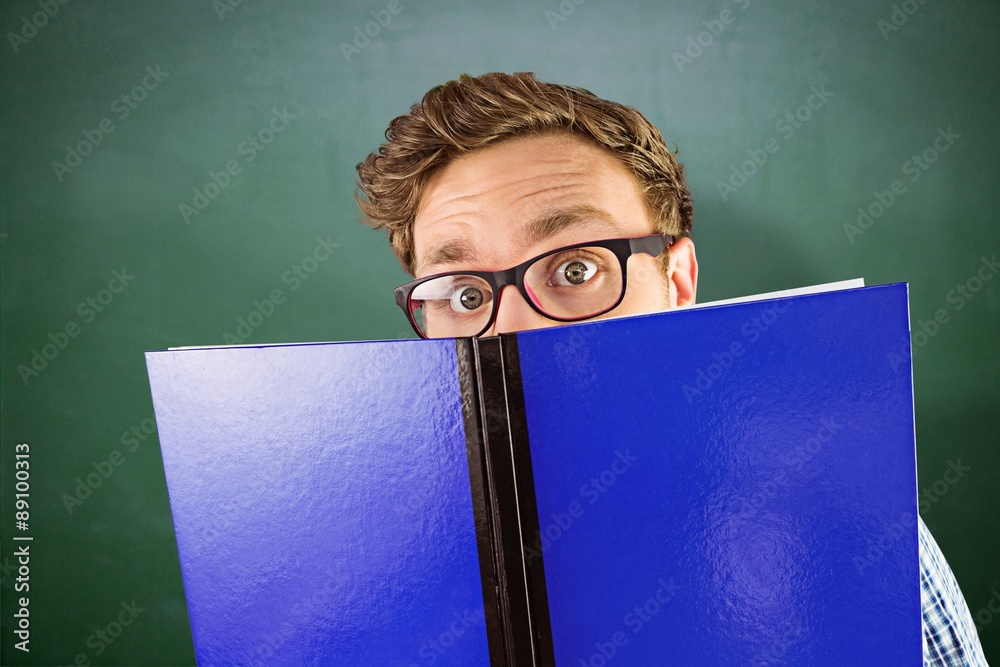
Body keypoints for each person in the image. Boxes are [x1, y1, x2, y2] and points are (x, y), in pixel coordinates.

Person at [356, 71, 988, 666]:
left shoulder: (847, 524)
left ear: (677, 280)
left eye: (577, 270)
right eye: (465, 296)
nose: (515, 330)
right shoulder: (356, 554)